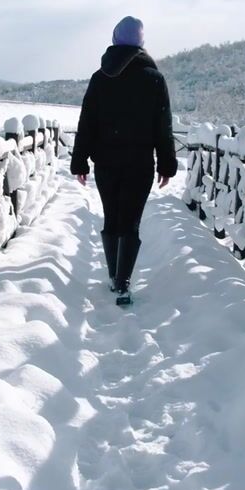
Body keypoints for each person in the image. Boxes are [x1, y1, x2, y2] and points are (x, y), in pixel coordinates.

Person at [70, 16, 178, 299]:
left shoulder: (100, 78)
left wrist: (80, 161)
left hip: (106, 163)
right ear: (141, 43)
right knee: (130, 222)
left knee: (111, 218)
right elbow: (163, 126)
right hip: (140, 164)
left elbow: (87, 123)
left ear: (115, 39)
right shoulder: (155, 79)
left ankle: (113, 274)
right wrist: (167, 164)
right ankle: (122, 282)